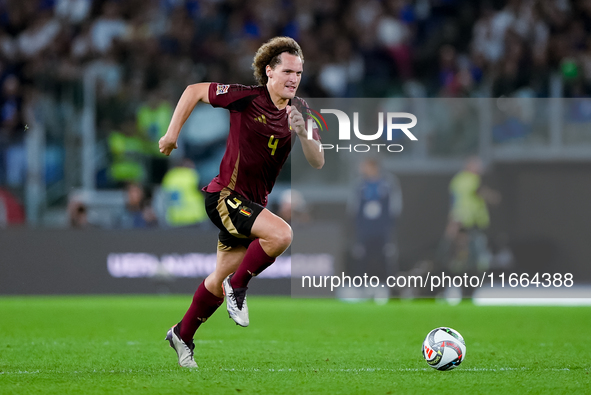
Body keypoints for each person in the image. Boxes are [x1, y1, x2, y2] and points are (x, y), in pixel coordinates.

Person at [158, 37, 323, 368]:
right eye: (288, 71)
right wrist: (172, 133)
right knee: (281, 235)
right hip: (225, 197)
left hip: (250, 207)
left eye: (299, 73)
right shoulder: (247, 98)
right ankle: (240, 286)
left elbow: (318, 160)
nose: (294, 79)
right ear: (269, 72)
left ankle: (182, 333)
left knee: (216, 281)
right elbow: (193, 90)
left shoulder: (301, 110)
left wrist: (304, 134)